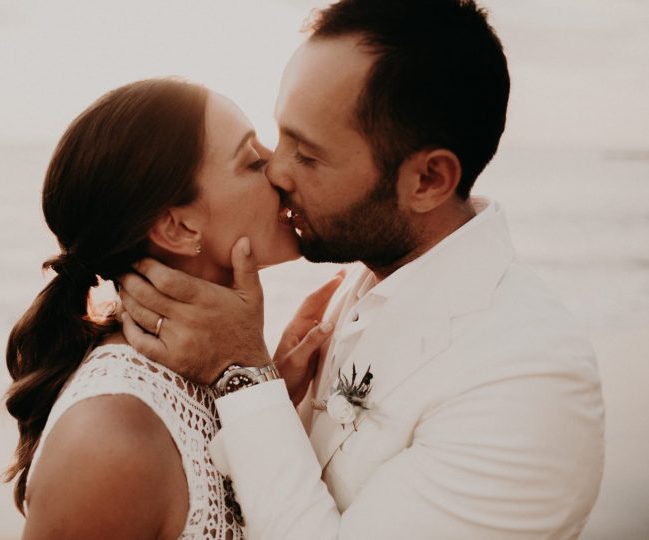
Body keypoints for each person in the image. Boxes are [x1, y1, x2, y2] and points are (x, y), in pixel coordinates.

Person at [118, 1, 605, 538]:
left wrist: (242, 376)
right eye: (281, 136)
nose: (275, 171)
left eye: (307, 155)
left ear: (428, 181)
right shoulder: (369, 278)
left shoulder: (526, 384)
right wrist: (274, 396)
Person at [2, 78, 336, 539]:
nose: (279, 170)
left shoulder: (207, 376)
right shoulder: (110, 436)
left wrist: (265, 397)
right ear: (178, 227)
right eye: (252, 160)